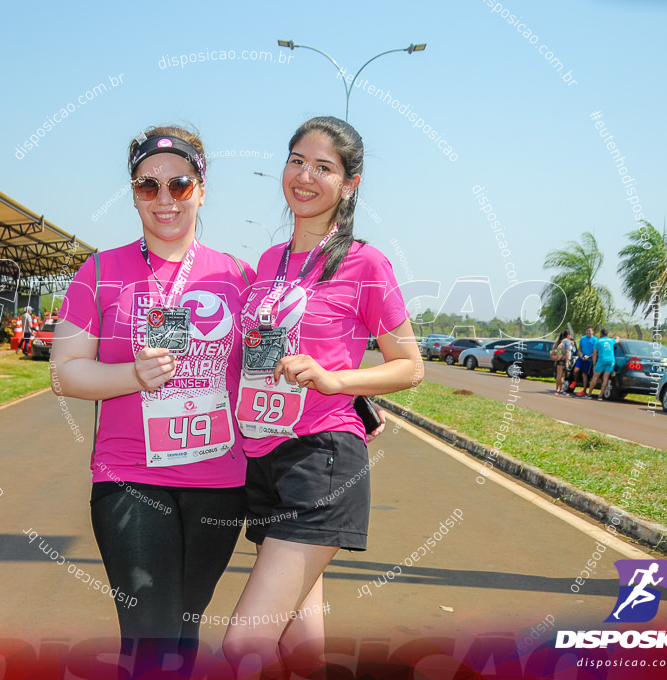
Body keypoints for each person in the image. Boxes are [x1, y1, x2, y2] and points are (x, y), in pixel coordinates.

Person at [222, 117, 424, 678]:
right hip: (263, 460)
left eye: (324, 167)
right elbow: (270, 354)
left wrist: (340, 384)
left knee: (244, 647)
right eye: (296, 160)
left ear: (350, 184)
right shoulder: (267, 265)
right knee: (302, 646)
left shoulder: (366, 263)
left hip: (320, 461)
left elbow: (410, 366)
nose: (305, 176)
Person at [50, 125, 252, 674]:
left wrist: (347, 403)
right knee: (151, 631)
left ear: (202, 189)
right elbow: (64, 374)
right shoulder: (98, 272)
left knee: (184, 626)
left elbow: (268, 367)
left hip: (219, 484)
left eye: (180, 185)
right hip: (130, 477)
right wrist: (133, 376)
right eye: (148, 186)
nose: (164, 199)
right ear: (134, 192)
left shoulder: (237, 275)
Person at [587, 327, 618, 400]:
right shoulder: (611, 340)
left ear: (601, 334)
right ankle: (600, 395)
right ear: (607, 334)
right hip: (611, 360)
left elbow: (594, 354)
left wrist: (594, 364)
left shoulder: (598, 341)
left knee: (595, 376)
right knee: (605, 377)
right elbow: (618, 340)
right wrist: (616, 337)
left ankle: (589, 394)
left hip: (602, 360)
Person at [574, 326, 596, 396]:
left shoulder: (595, 340)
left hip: (588, 360)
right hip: (581, 358)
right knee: (576, 370)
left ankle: (584, 390)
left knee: (584, 374)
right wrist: (580, 352)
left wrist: (589, 356)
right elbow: (579, 348)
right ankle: (575, 381)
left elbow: (595, 351)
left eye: (590, 331)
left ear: (593, 331)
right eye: (587, 331)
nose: (588, 332)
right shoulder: (583, 338)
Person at [553, 330, 574, 395]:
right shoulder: (567, 342)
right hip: (564, 359)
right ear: (568, 335)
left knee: (559, 375)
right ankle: (561, 390)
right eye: (570, 335)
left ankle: (557, 389)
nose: (570, 336)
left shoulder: (560, 341)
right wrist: (567, 362)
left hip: (559, 359)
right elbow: (567, 352)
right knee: (562, 375)